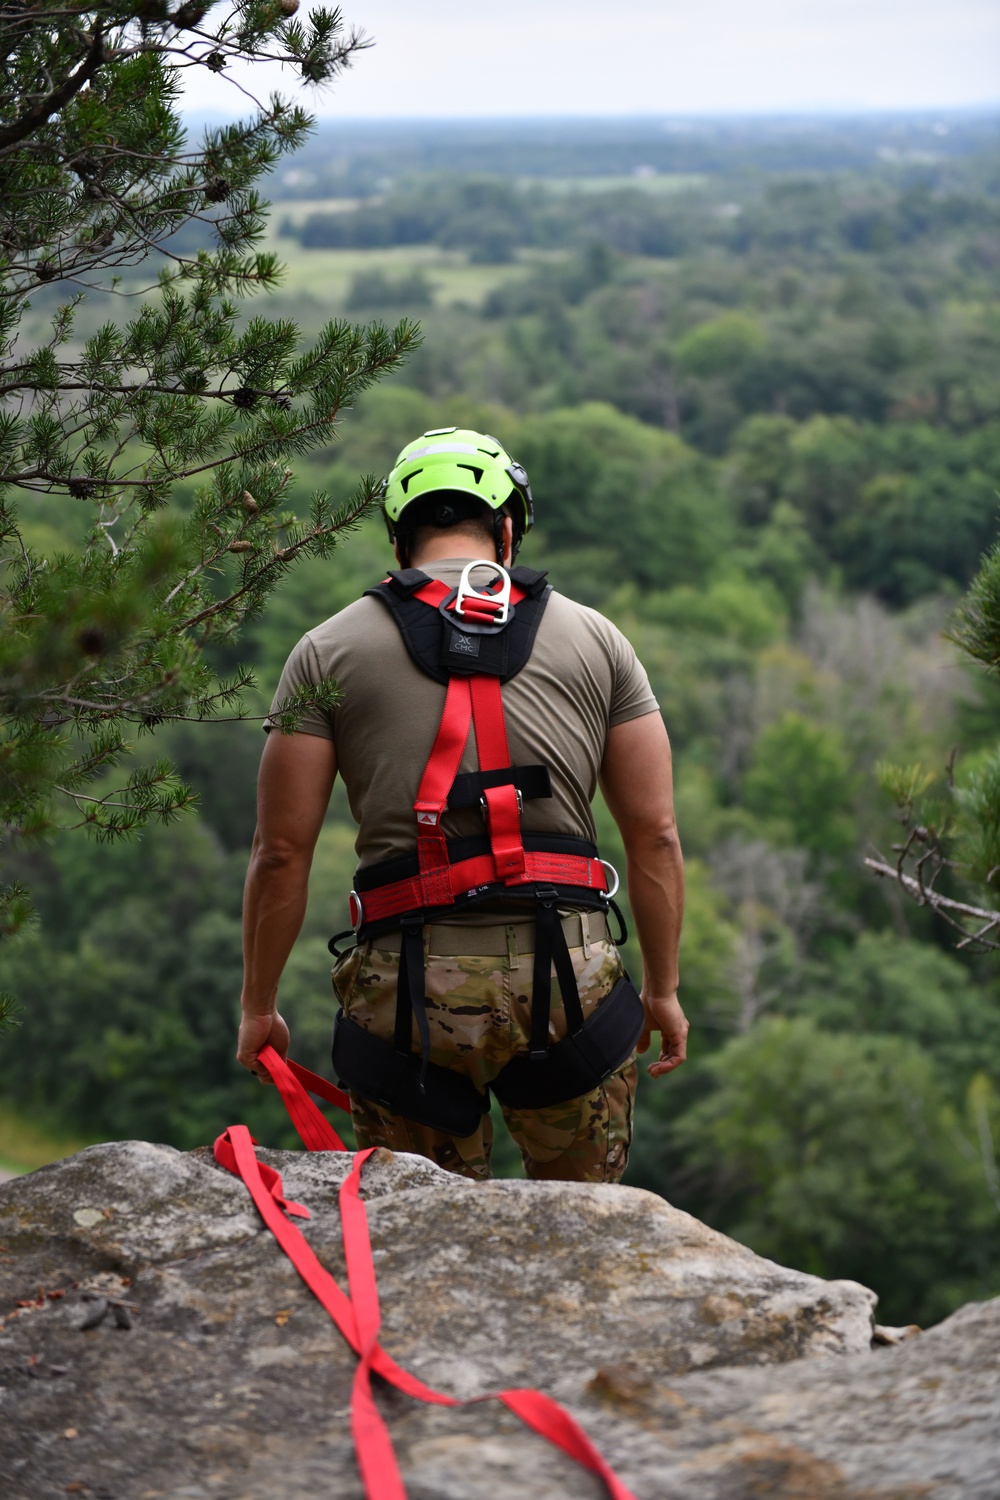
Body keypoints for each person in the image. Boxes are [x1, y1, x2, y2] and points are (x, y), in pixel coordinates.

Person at [237, 427, 687, 1182]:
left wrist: (259, 1005)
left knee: (413, 1235)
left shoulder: (325, 649)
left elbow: (280, 852)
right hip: (567, 984)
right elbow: (657, 836)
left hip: (407, 989)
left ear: (400, 534)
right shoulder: (600, 641)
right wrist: (663, 991)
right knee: (582, 1230)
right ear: (507, 528)